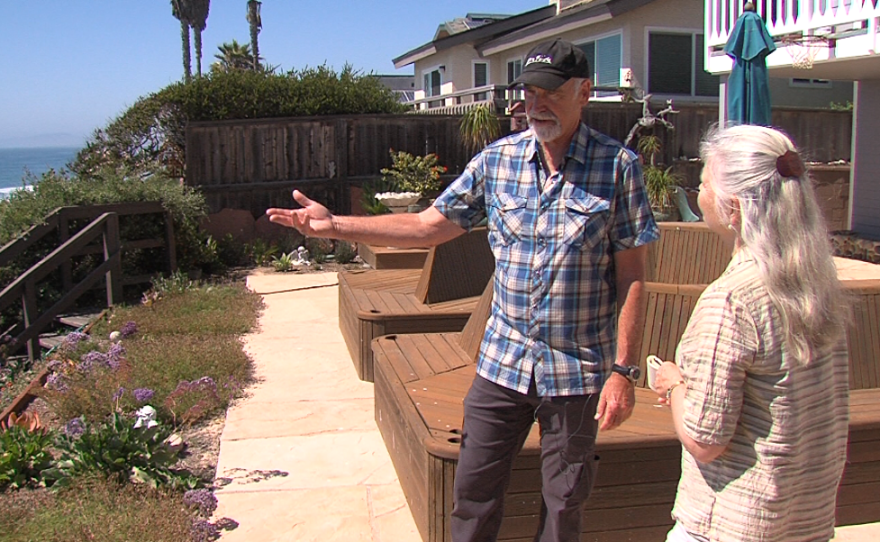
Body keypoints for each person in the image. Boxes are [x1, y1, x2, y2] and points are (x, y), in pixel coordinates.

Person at [267, 38, 659, 542]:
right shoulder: (497, 163)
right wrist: (336, 225)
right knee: (472, 493)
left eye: (551, 93)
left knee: (564, 505)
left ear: (584, 92)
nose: (536, 105)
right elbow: (428, 226)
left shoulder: (618, 168)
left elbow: (632, 276)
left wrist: (624, 371)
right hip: (502, 363)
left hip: (578, 370)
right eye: (529, 93)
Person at [652, 124, 850, 542]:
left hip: (731, 522)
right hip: (805, 518)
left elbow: (705, 439)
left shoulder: (731, 301)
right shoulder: (818, 284)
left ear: (733, 207)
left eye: (704, 183)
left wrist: (673, 385)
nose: (698, 193)